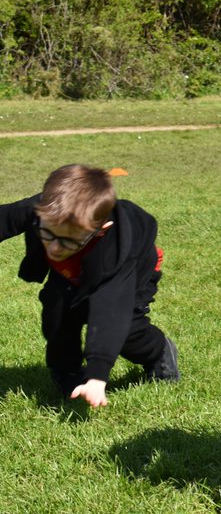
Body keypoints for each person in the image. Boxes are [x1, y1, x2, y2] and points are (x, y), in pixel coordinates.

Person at [0, 164, 179, 407]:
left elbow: (110, 311)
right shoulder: (46, 209)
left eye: (66, 241)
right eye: (48, 234)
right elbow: (5, 218)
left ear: (99, 230)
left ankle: (158, 351)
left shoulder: (117, 249)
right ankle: (68, 374)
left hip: (132, 273)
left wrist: (98, 375)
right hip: (72, 270)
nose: (53, 247)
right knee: (58, 313)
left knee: (128, 331)